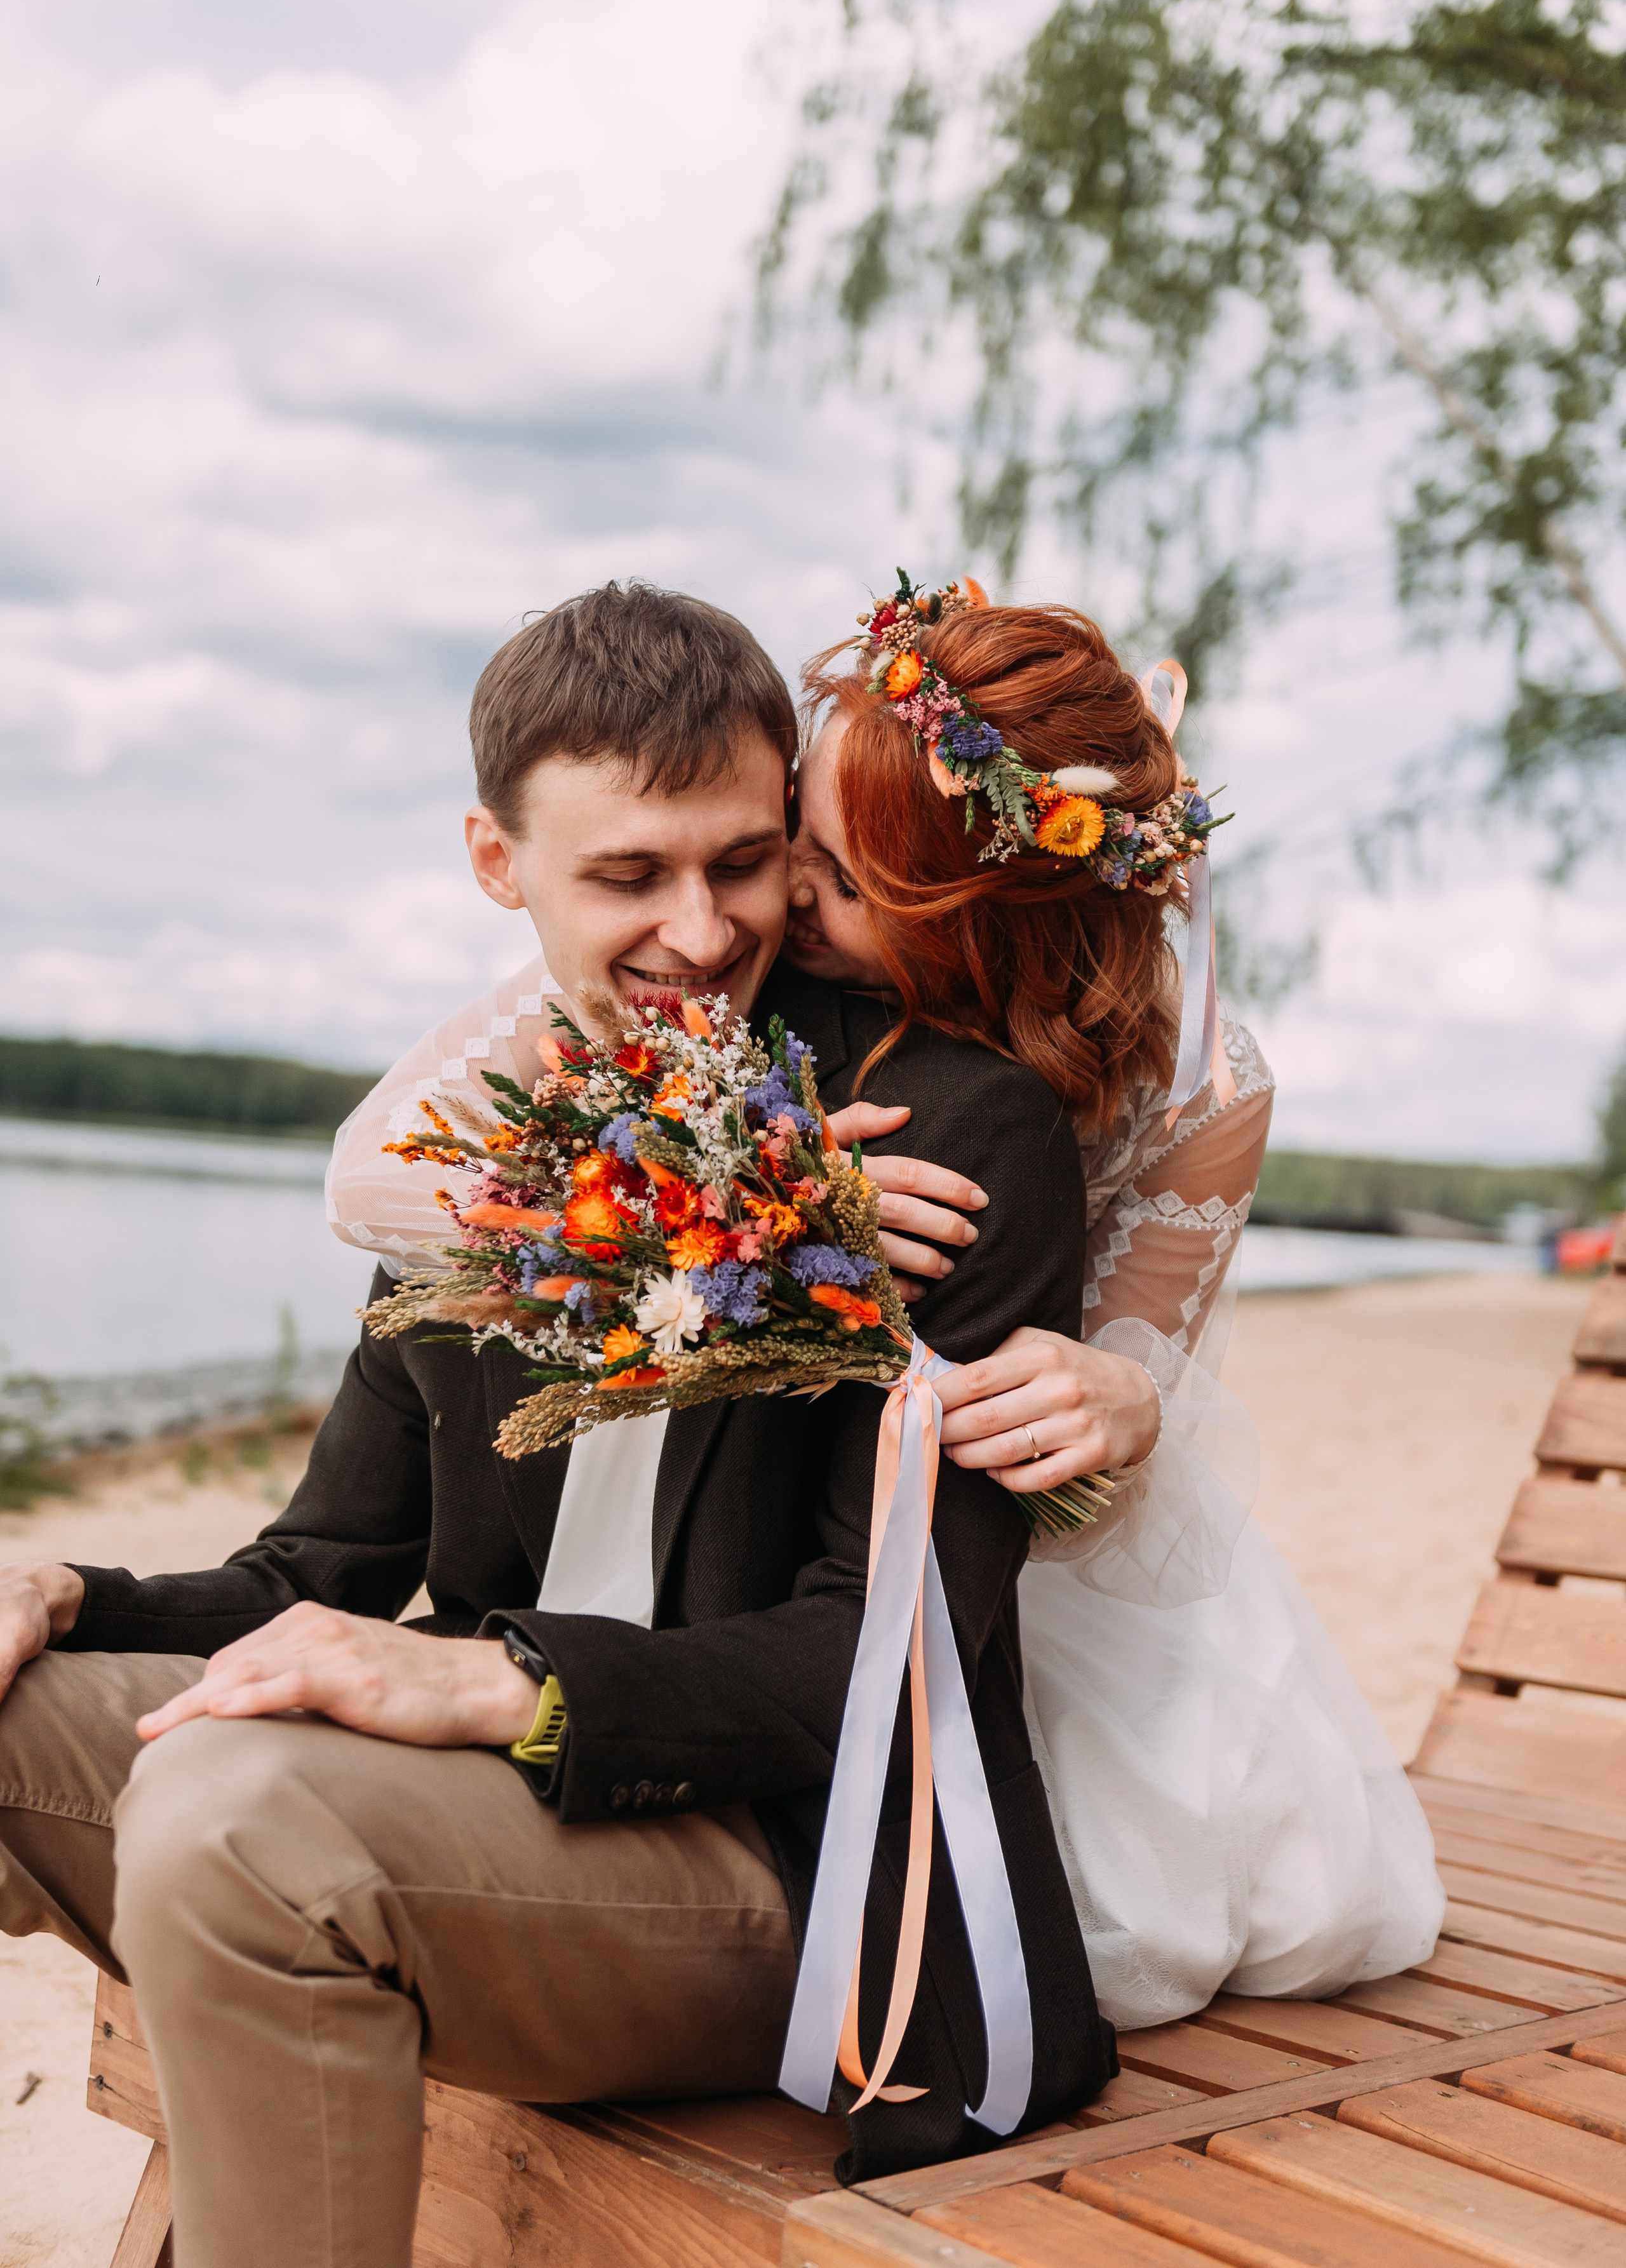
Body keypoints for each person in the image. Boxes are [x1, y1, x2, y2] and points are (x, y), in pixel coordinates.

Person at [0, 585, 1117, 2268]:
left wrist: (491, 1680)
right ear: (495, 862)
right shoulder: (471, 1145)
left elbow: (888, 1661)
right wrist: (71, 1593)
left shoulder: (959, 1138)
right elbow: (322, 1565)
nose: (701, 930)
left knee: (234, 1822)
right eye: (628, 876)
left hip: (787, 1879)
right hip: (493, 1826)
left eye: (744, 861)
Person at [340, 582, 1443, 2035]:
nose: (770, 904)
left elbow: (1087, 1468)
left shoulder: (1200, 1085)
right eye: (793, 844)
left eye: (834, 882)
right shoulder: (715, 948)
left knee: (1188, 1883)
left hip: (996, 1554)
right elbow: (370, 1179)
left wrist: (1129, 1400)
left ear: (974, 921)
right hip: (834, 1528)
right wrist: (758, 1200)